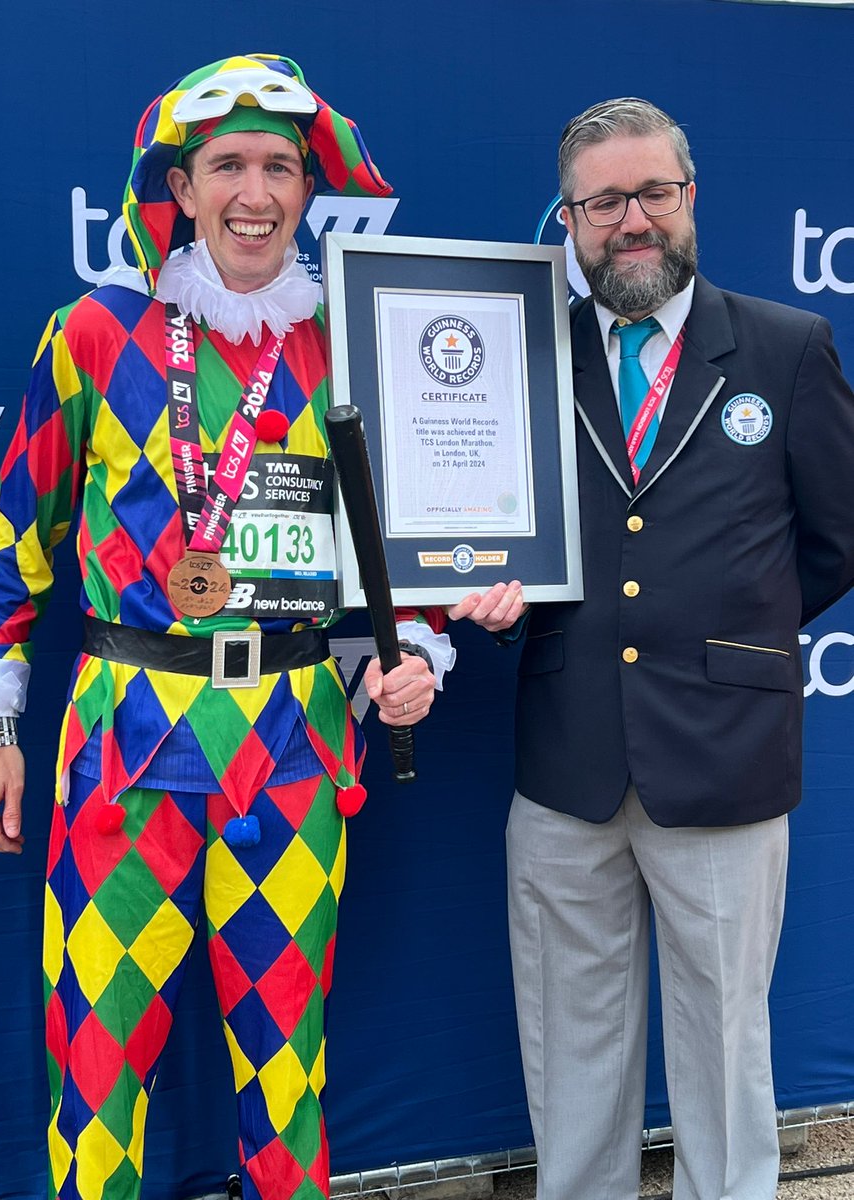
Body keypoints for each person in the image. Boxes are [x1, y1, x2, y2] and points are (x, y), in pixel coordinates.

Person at [0, 54, 453, 1200]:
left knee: (287, 1074)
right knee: (97, 1061)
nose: (256, 192)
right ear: (179, 187)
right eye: (228, 164)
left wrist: (410, 651)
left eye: (280, 166)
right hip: (124, 745)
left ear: (307, 188)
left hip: (290, 744)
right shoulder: (92, 332)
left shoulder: (346, 341)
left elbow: (401, 541)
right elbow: (14, 543)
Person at [450, 97, 854, 1200]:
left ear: (690, 197)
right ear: (571, 219)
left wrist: (735, 629)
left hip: (724, 756)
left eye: (652, 194)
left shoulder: (785, 347)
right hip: (565, 760)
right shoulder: (523, 353)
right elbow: (484, 521)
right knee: (569, 1047)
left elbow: (834, 542)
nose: (632, 221)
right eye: (603, 202)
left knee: (726, 1049)